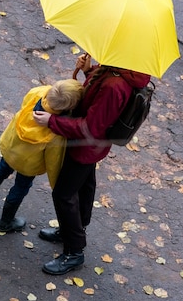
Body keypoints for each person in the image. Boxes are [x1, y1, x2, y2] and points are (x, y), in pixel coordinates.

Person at [33, 54, 151, 275]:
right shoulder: (118, 69)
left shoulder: (114, 84)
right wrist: (89, 71)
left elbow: (91, 127)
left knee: (63, 194)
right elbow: (96, 101)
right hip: (92, 147)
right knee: (85, 185)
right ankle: (75, 228)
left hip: (85, 146)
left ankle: (74, 251)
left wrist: (52, 121)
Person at [0, 78, 84, 236]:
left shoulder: (37, 93)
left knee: (0, 170)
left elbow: (26, 102)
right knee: (20, 187)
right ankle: (4, 222)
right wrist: (56, 182)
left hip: (12, 148)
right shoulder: (56, 131)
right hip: (29, 164)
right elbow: (53, 160)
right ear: (69, 107)